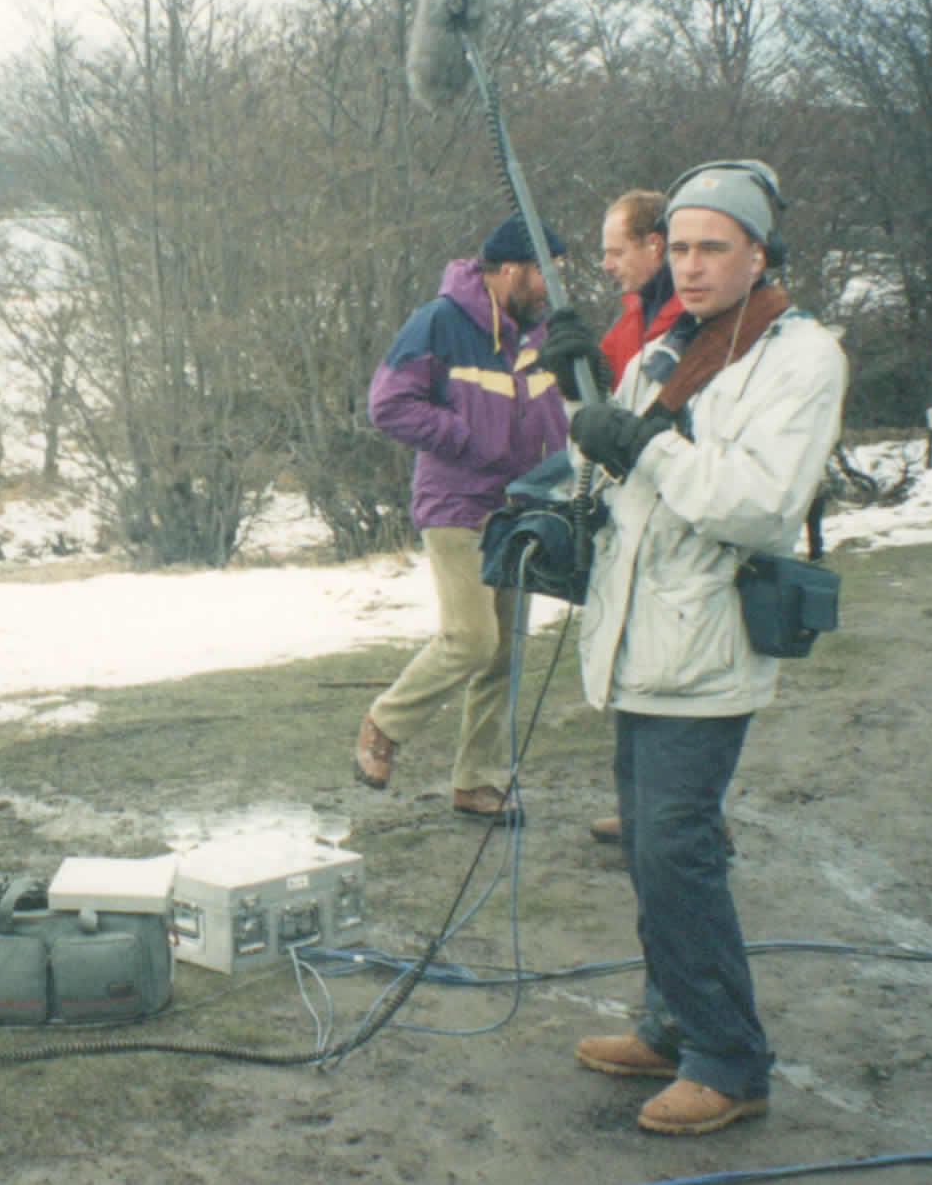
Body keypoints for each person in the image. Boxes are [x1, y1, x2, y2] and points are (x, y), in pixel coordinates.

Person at [565, 162, 846, 1135]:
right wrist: (585, 390)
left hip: (708, 639)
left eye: (709, 246)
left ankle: (727, 1058)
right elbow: (605, 470)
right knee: (649, 848)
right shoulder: (661, 347)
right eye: (677, 245)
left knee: (675, 851)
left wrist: (639, 444)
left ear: (755, 252)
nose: (686, 265)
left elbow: (759, 506)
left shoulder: (799, 358)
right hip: (634, 637)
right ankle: (670, 1019)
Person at [354, 214, 571, 817]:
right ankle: (383, 725)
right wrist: (464, 435)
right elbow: (389, 404)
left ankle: (477, 781)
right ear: (510, 270)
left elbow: (552, 409)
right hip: (456, 504)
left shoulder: (538, 333)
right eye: (544, 274)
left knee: (503, 654)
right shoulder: (440, 322)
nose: (553, 288)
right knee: (472, 641)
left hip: (520, 507)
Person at [541, 188, 692, 846]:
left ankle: (687, 817)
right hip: (634, 517)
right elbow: (608, 406)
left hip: (679, 518)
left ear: (653, 246)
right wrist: (579, 375)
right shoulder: (637, 317)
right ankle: (643, 810)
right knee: (632, 663)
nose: (605, 264)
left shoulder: (692, 322)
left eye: (614, 250)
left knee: (677, 678)